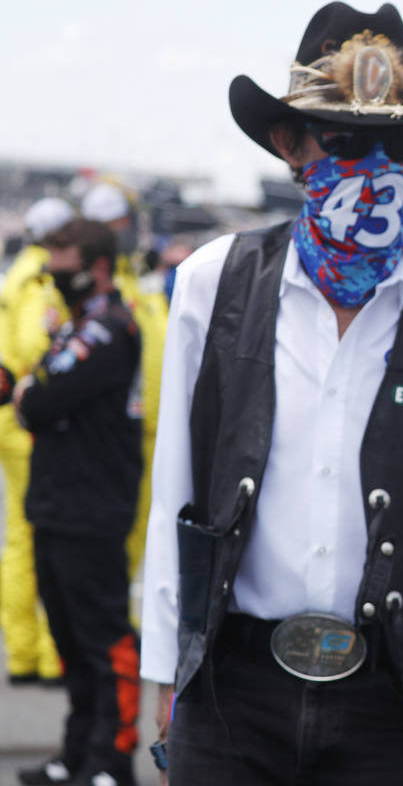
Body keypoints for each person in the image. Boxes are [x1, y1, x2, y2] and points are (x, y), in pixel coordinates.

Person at [138, 1, 403, 784]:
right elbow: (176, 493)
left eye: (398, 143)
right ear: (291, 146)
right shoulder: (210, 282)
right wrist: (169, 671)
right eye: (347, 141)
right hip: (234, 690)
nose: (373, 168)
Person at [15, 218, 143, 786]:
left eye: (60, 262)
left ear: (94, 266)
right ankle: (77, 755)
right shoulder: (77, 326)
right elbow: (31, 393)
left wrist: (29, 394)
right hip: (54, 504)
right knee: (68, 641)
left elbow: (40, 401)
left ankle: (112, 762)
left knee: (103, 639)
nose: (50, 273)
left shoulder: (108, 329)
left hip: (92, 509)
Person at [80, 182, 169, 595]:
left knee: (131, 546)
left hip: (149, 432)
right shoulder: (87, 289)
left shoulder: (137, 283)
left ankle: (110, 639)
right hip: (110, 437)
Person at [0, 198, 69, 687]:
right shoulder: (41, 276)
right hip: (28, 420)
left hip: (10, 416)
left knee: (22, 537)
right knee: (41, 535)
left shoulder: (16, 272)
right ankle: (49, 655)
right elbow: (34, 345)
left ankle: (24, 651)